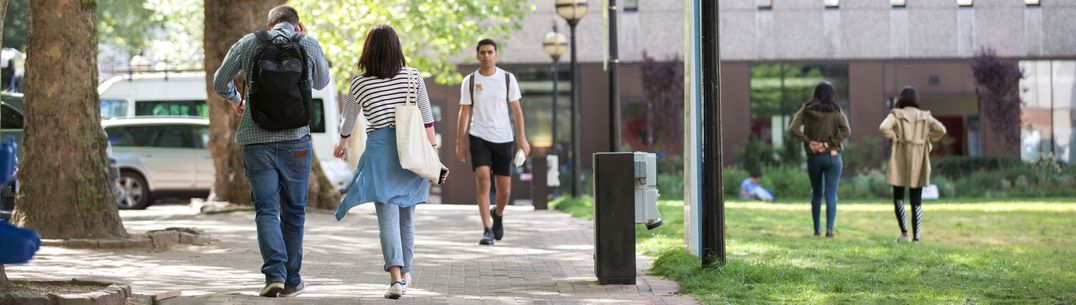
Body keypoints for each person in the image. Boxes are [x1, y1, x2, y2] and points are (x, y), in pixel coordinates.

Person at [212, 5, 329, 297]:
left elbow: (219, 82)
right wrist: (308, 42)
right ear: (296, 24)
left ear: (269, 24)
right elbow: (322, 82)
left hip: (256, 139)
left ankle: (273, 275)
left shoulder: (250, 43)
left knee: (266, 209)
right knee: (294, 212)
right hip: (296, 141)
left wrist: (238, 100)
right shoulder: (307, 44)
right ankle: (292, 279)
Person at [333, 25, 444, 300]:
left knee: (387, 217)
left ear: (368, 50)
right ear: (397, 48)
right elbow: (427, 118)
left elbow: (348, 120)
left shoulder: (360, 83)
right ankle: (405, 276)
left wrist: (342, 143)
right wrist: (433, 156)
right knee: (407, 217)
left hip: (380, 151)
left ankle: (396, 277)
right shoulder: (412, 77)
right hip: (412, 151)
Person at [454, 39, 530, 246]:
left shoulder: (507, 79)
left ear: (496, 55)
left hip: (504, 138)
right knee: (483, 179)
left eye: (490, 52)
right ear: (477, 55)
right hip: (478, 136)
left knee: (504, 189)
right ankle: (487, 229)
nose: (486, 56)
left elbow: (516, 110)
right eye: (483, 52)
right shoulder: (470, 81)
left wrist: (522, 138)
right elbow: (464, 111)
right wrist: (460, 142)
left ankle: (498, 213)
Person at [879, 86, 946, 243]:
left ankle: (904, 234)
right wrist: (927, 139)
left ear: (901, 98)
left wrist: (894, 136)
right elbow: (941, 130)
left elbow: (883, 127)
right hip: (919, 158)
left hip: (900, 157)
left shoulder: (896, 114)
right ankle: (916, 238)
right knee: (917, 201)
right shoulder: (925, 116)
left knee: (898, 198)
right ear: (916, 99)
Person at [788, 81, 850, 238]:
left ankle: (817, 230)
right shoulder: (836, 111)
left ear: (816, 93)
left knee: (816, 194)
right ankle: (829, 230)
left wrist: (810, 141)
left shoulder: (806, 110)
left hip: (814, 157)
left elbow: (793, 129)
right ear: (832, 94)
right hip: (833, 157)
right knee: (831, 194)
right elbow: (846, 130)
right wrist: (828, 144)